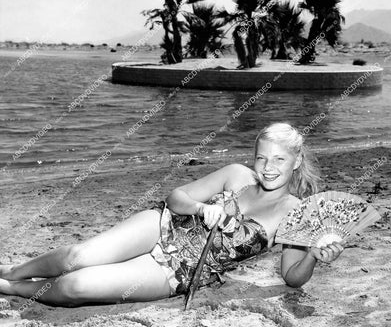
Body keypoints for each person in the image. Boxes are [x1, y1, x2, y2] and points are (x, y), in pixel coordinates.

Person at [0, 122, 344, 307]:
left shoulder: (297, 213)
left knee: (76, 285)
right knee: (76, 257)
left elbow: (291, 278)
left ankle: (15, 290)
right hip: (160, 227)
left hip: (181, 271)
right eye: (261, 158)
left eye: (279, 160)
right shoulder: (237, 174)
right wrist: (201, 208)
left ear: (296, 161)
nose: (268, 169)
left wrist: (312, 256)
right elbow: (175, 197)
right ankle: (15, 270)